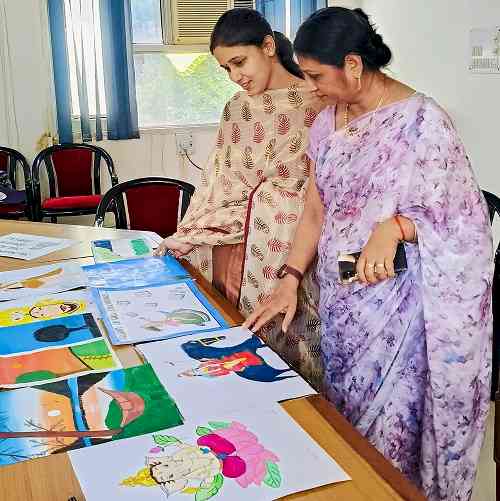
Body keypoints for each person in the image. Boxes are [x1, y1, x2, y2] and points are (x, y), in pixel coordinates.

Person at [243, 7, 493, 501]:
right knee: (346, 427)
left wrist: (396, 227)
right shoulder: (326, 123)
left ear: (353, 65)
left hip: (399, 314)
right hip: (342, 308)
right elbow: (314, 211)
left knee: (389, 444)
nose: (310, 87)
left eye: (317, 75)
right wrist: (290, 277)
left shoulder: (423, 123)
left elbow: (466, 222)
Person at [155, 8, 325, 387]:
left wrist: (269, 201)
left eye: (239, 62)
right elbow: (219, 176)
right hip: (228, 237)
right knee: (224, 348)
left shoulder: (316, 101)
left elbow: (316, 184)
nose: (235, 77)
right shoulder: (235, 107)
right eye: (226, 69)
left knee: (276, 354)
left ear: (268, 46)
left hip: (286, 237)